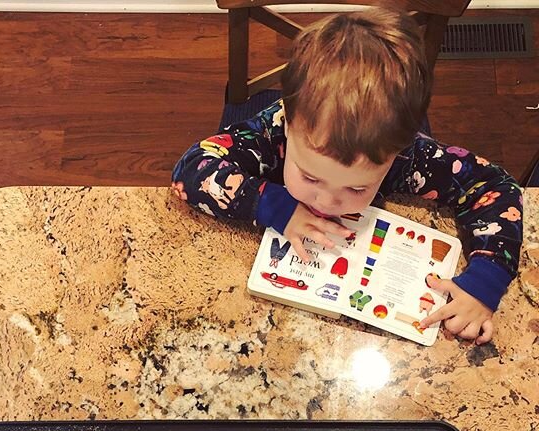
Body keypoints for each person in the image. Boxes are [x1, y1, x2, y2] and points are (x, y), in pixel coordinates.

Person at [171, 9, 523, 345]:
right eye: (309, 177)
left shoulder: (411, 158)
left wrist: (485, 281)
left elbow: (496, 187)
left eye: (357, 187)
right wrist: (275, 206)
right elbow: (190, 170)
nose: (326, 201)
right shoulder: (272, 130)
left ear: (395, 155)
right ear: (290, 126)